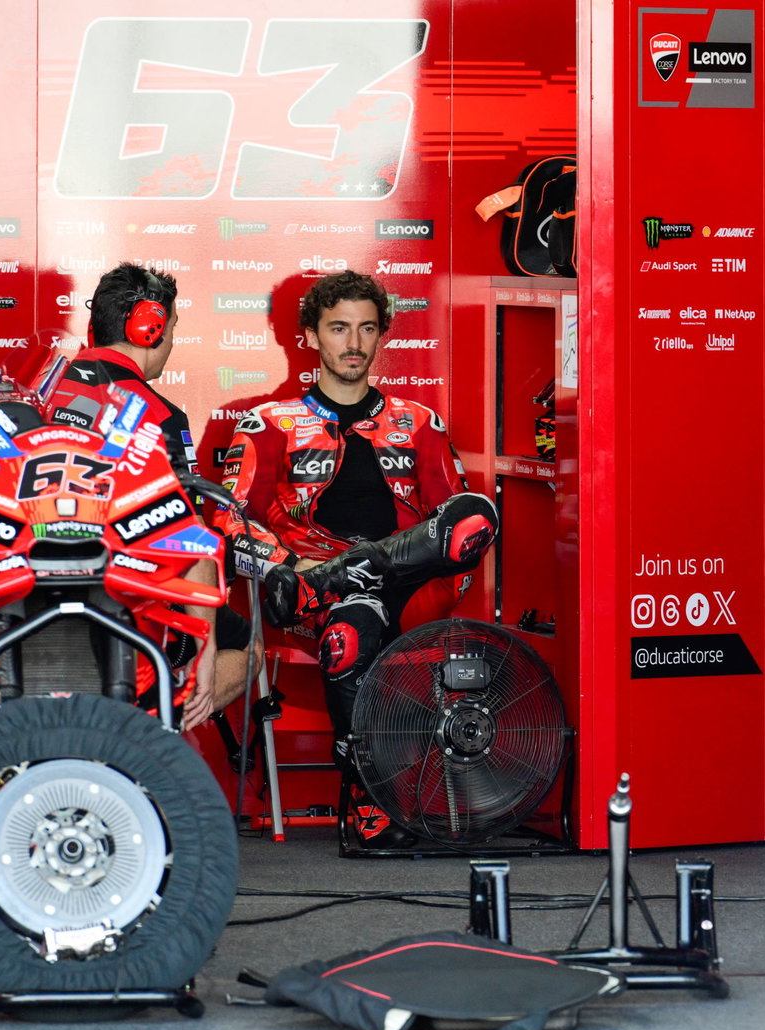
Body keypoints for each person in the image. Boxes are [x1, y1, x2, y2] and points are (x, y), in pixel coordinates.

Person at [218, 270, 497, 846]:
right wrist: (289, 570)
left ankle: (344, 577)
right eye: (339, 328)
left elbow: (459, 523)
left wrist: (361, 572)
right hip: (306, 590)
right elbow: (228, 520)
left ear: (382, 336)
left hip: (409, 586)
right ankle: (372, 800)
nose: (353, 343)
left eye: (366, 329)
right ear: (311, 337)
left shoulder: (418, 422)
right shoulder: (269, 425)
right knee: (350, 625)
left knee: (479, 513)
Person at [48, 262, 254, 730]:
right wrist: (202, 641)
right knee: (249, 645)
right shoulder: (158, 413)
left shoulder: (39, 391)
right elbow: (184, 538)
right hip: (127, 601)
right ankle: (156, 730)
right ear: (149, 327)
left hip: (30, 594)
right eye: (171, 328)